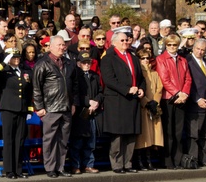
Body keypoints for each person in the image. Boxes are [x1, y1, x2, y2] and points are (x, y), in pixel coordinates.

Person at [100, 29, 146, 173]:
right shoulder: (109, 58)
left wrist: (141, 88)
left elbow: (141, 77)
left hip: (133, 100)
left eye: (127, 40)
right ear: (114, 42)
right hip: (117, 101)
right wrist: (127, 89)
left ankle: (128, 163)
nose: (125, 42)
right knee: (118, 134)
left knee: (131, 133)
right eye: (122, 40)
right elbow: (109, 80)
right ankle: (117, 164)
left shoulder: (133, 57)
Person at [33, 33, 79, 177]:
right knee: (50, 139)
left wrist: (74, 104)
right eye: (59, 45)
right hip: (50, 108)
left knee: (63, 140)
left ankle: (60, 166)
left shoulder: (69, 63)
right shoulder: (42, 63)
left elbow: (75, 85)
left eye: (63, 45)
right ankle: (50, 168)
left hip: (66, 107)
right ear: (51, 47)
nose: (62, 47)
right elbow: (36, 87)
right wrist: (39, 107)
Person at [0, 47, 33, 178]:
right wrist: (4, 63)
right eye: (13, 57)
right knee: (9, 139)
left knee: (19, 139)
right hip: (8, 108)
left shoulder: (25, 71)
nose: (16, 60)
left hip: (22, 109)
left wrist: (29, 109)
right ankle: (9, 170)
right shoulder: (4, 71)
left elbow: (29, 91)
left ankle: (18, 169)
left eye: (18, 57)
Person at [155, 34, 192, 169]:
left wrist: (185, 94)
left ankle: (178, 159)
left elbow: (188, 78)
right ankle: (167, 160)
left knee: (178, 131)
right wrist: (178, 93)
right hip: (168, 99)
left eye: (174, 45)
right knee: (168, 131)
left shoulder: (183, 60)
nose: (172, 47)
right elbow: (165, 79)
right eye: (169, 45)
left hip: (181, 99)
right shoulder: (161, 59)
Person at [184, 38, 206, 168]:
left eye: (203, 50)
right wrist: (197, 99)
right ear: (193, 48)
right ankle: (193, 160)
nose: (200, 52)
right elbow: (188, 84)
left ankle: (204, 159)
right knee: (194, 134)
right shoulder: (188, 62)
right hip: (194, 105)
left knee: (205, 133)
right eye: (198, 49)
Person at [69, 49, 102, 174]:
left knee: (91, 141)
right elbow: (75, 94)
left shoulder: (95, 76)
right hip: (79, 112)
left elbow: (100, 91)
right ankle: (75, 165)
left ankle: (88, 164)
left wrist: (97, 101)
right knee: (77, 141)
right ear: (78, 63)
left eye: (88, 62)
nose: (87, 64)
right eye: (84, 62)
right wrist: (89, 101)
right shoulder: (76, 76)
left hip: (92, 112)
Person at [134, 49, 164, 170]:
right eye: (143, 58)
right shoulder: (138, 73)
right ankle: (140, 161)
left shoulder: (154, 73)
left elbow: (159, 88)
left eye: (147, 58)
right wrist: (146, 102)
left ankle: (149, 160)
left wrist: (155, 102)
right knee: (143, 137)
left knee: (153, 136)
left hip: (154, 107)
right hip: (143, 107)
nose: (145, 60)